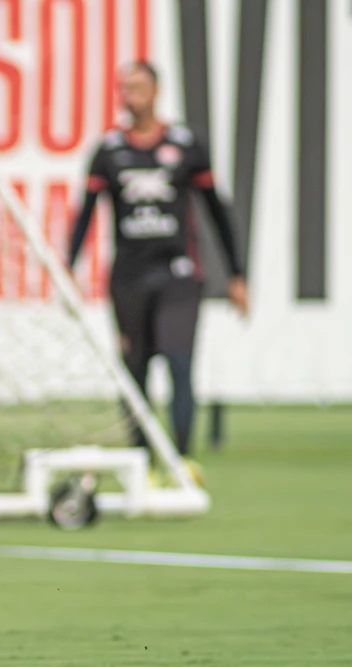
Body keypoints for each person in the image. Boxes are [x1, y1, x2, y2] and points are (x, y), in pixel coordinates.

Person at [67, 61, 247, 460]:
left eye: (138, 87)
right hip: (129, 277)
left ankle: (181, 461)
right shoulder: (110, 150)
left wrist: (237, 274)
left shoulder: (184, 146)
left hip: (178, 274)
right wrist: (68, 266)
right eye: (124, 88)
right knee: (135, 370)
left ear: (155, 91)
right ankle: (142, 461)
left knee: (179, 362)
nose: (130, 96)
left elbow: (217, 210)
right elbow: (85, 214)